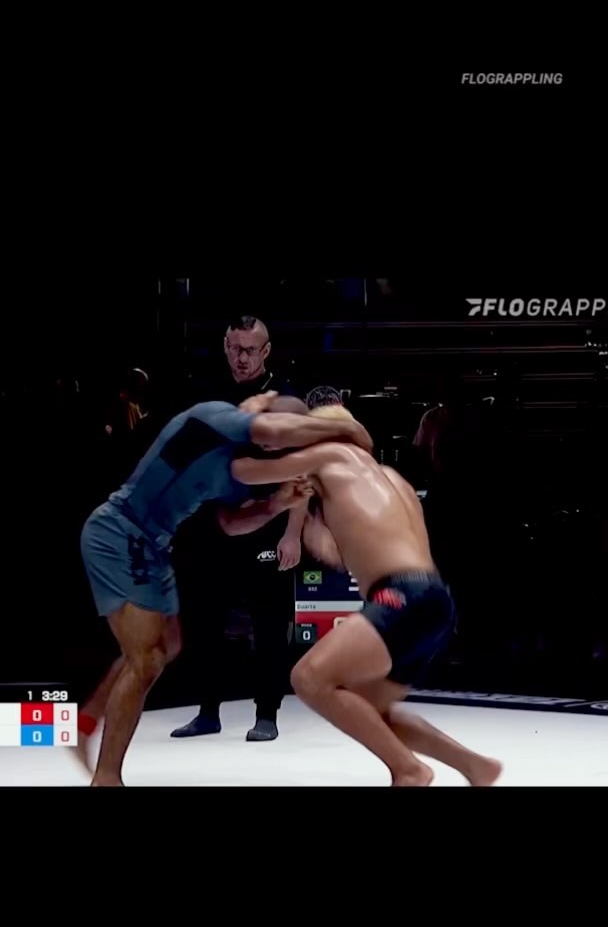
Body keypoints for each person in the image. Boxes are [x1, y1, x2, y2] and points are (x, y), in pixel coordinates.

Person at [78, 395, 373, 786]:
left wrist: (277, 505)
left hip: (153, 545)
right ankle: (106, 777)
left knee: (166, 646)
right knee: (146, 659)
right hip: (120, 533)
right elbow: (275, 430)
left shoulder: (243, 465)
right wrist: (345, 430)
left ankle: (86, 721)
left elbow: (232, 524)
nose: (277, 444)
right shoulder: (215, 418)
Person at [230, 404, 503, 787]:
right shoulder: (391, 479)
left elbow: (245, 471)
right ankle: (475, 766)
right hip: (434, 599)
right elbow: (363, 551)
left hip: (400, 596)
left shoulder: (329, 455)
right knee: (372, 712)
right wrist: (316, 532)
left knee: (308, 678)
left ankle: (409, 770)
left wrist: (228, 430)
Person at [171, 315, 308, 742]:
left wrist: (293, 533)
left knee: (269, 624)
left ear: (266, 351)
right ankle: (207, 711)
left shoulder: (285, 400)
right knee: (203, 620)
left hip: (267, 522)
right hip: (211, 523)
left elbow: (303, 472)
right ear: (225, 347)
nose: (241, 357)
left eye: (250, 350)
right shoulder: (206, 395)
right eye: (234, 348)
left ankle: (267, 713)